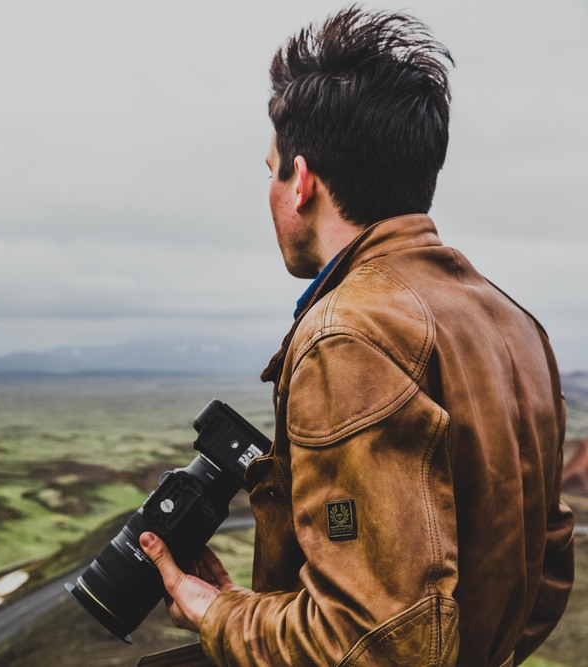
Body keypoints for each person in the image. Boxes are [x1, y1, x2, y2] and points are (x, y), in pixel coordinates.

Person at [137, 6, 574, 666]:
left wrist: (214, 610)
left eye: (271, 169)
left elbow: (376, 643)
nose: (271, 189)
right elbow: (545, 577)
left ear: (302, 181)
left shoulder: (348, 337)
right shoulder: (513, 323)